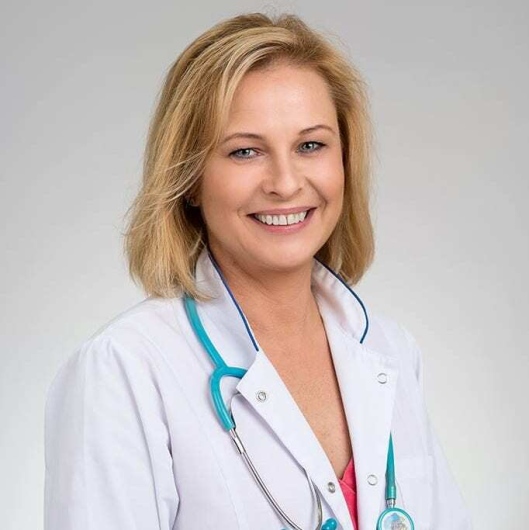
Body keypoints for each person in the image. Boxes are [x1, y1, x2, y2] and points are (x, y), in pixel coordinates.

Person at [44, 12, 472, 530]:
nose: (285, 183)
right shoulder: (124, 370)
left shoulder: (392, 351)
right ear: (191, 179)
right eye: (245, 151)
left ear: (344, 161)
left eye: (311, 145)